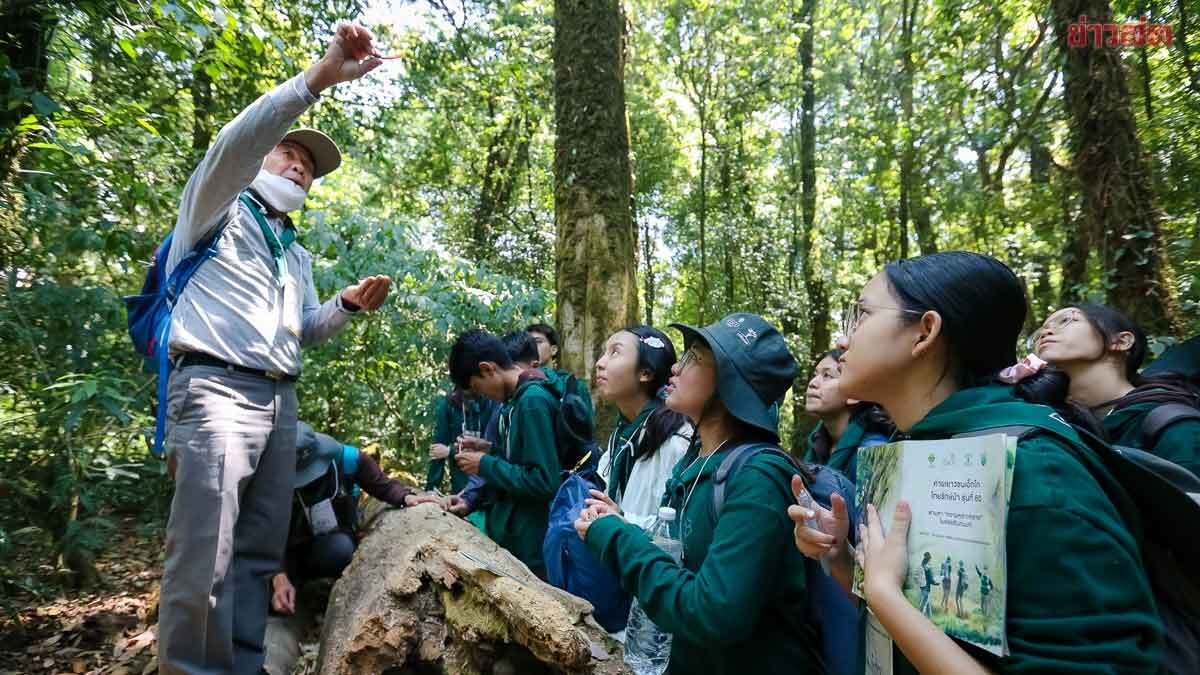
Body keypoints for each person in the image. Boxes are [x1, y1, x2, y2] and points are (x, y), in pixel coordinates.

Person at [790, 252, 1164, 673]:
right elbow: (935, 626)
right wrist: (844, 559)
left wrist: (885, 594)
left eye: (862, 315)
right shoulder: (907, 449)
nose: (843, 340)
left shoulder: (1037, 471)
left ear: (924, 333)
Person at [158, 22, 394, 675]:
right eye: (289, 153)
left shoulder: (297, 252)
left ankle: (242, 659)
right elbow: (238, 141)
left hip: (279, 395)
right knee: (204, 546)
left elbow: (303, 331)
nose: (299, 165)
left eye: (309, 166)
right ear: (262, 159)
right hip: (213, 385)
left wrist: (343, 306)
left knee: (259, 548)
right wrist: (319, 79)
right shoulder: (217, 207)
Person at [574, 313, 824, 674]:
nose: (674, 367)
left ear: (728, 384)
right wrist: (623, 523)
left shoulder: (758, 478)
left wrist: (615, 537)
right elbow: (686, 558)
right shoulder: (697, 461)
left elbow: (713, 612)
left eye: (693, 358)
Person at [263, 423, 436, 674]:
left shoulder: (347, 459)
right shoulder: (268, 478)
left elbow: (382, 485)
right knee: (263, 591)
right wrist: (279, 577)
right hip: (286, 549)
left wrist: (407, 497)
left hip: (327, 544)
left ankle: (311, 587)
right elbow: (264, 533)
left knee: (341, 549)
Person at [1033, 303, 1200, 476]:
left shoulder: (1173, 424)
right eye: (1039, 333)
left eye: (1065, 320)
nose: (1045, 333)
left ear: (1121, 341)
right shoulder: (1054, 427)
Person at [449, 329, 563, 577]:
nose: (481, 395)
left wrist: (485, 464)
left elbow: (543, 480)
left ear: (488, 369)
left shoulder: (532, 402)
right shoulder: (514, 402)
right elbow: (523, 456)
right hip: (516, 536)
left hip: (533, 543)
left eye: (477, 389)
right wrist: (489, 450)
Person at [593, 325, 692, 528]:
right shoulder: (624, 432)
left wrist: (620, 520)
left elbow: (677, 527)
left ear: (645, 372)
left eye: (615, 352)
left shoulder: (675, 441)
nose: (600, 363)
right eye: (604, 353)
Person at [802, 348, 893, 481]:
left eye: (827, 376)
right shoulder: (818, 443)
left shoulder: (873, 453)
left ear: (854, 394)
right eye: (815, 375)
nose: (812, 383)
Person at [425, 389, 497, 494]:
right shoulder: (449, 405)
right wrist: (431, 488)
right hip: (460, 487)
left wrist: (451, 451)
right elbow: (437, 450)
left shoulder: (493, 402)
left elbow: (496, 447)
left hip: (489, 486)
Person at [918, 552, 934, 618]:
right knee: (924, 603)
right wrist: (934, 582)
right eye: (930, 559)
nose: (930, 560)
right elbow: (929, 578)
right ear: (928, 559)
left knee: (927, 602)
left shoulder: (922, 564)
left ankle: (930, 617)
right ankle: (919, 617)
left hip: (922, 586)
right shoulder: (927, 566)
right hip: (926, 587)